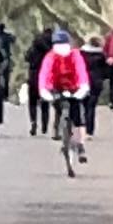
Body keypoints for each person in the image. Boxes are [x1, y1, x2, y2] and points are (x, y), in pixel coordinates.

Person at [37, 30, 90, 164]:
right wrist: (44, 90)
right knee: (60, 108)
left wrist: (83, 87)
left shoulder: (75, 55)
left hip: (74, 87)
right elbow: (45, 74)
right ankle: (62, 132)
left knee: (78, 117)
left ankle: (81, 146)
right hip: (56, 88)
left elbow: (81, 71)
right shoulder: (50, 57)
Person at [24, 29, 53, 137]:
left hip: (33, 76)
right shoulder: (50, 51)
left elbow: (26, 58)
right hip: (46, 77)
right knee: (45, 103)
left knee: (32, 102)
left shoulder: (33, 48)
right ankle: (44, 125)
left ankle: (33, 122)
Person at [79, 36, 108, 140]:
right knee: (91, 106)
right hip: (96, 82)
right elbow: (106, 71)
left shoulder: (81, 54)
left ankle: (81, 126)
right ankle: (89, 131)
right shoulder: (102, 56)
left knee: (82, 105)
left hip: (82, 81)